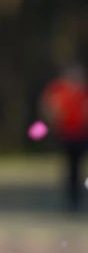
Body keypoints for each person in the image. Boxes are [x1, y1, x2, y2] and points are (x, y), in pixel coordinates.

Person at [39, 64, 88, 212]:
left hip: (81, 134)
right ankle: (71, 197)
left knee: (78, 166)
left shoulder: (83, 91)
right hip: (65, 134)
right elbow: (48, 106)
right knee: (70, 166)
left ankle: (77, 196)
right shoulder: (58, 90)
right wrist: (53, 118)